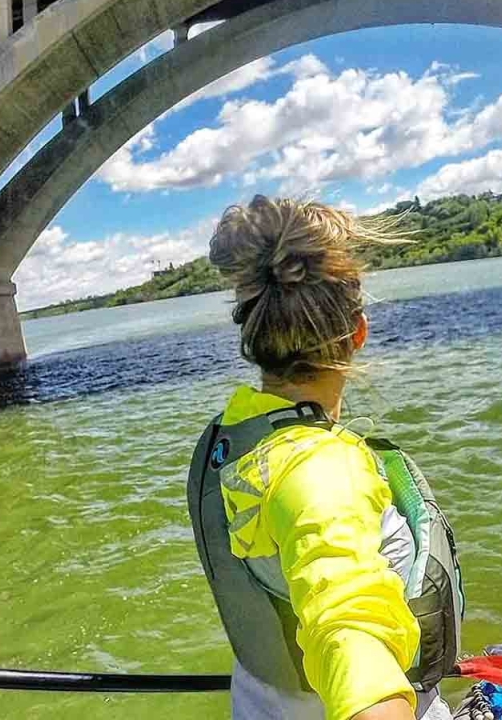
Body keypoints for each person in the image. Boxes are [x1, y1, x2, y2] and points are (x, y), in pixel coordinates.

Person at [188, 196, 463, 720]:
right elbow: (351, 639)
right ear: (357, 332)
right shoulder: (323, 472)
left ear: (254, 340)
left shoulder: (232, 438)